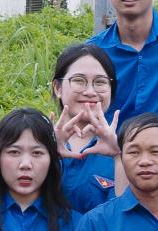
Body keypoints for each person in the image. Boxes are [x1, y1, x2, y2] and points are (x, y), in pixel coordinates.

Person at [48, 40, 123, 213]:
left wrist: (119, 156)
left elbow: (128, 214)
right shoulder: (35, 137)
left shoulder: (127, 148)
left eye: (100, 82)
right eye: (79, 81)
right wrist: (46, 149)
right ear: (58, 88)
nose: (90, 91)